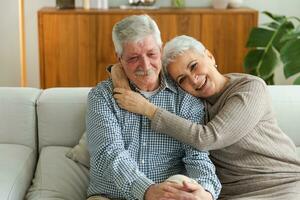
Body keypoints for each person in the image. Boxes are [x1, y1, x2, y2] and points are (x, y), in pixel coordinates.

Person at [112, 35, 300, 199]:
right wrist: (118, 71)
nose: (193, 79)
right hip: (232, 193)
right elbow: (147, 72)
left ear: (209, 56)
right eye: (182, 79)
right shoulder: (193, 105)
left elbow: (208, 137)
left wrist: (148, 110)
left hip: (281, 183)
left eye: (193, 66)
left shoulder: (250, 88)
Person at [86, 16, 221, 200]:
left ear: (161, 49)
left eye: (151, 54)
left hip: (169, 195)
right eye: (133, 58)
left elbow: (197, 155)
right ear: (119, 58)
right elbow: (109, 153)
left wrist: (206, 192)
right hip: (111, 195)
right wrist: (147, 190)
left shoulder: (185, 98)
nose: (145, 65)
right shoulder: (102, 96)